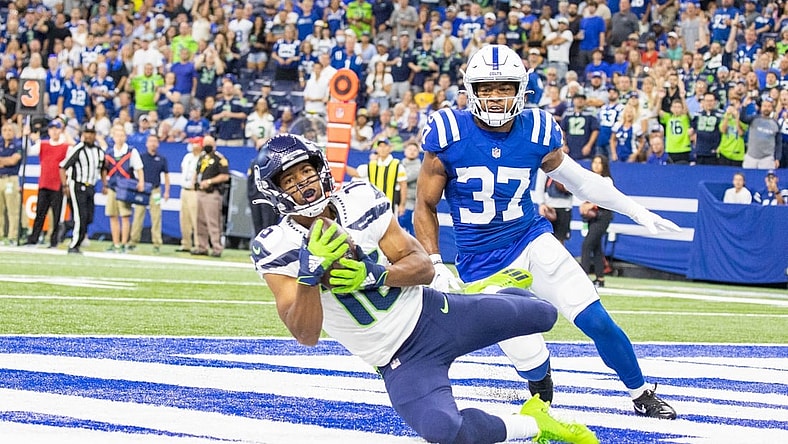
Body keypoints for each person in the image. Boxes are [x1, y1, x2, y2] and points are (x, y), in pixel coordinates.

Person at [250, 133, 598, 444]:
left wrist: (373, 275)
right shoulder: (277, 245)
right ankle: (532, 424)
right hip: (398, 359)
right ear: (275, 192)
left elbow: (422, 266)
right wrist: (309, 275)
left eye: (306, 171)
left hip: (435, 313)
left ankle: (490, 291)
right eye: (289, 179)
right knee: (444, 431)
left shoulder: (357, 199)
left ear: (320, 169)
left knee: (544, 315)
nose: (303, 184)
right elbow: (305, 334)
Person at [414, 45, 679, 419]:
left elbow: (583, 182)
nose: (494, 96)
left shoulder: (536, 130)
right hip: (480, 261)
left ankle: (640, 392)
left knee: (595, 318)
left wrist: (635, 209)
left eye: (503, 87)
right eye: (486, 88)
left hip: (530, 239)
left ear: (521, 89)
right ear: (470, 89)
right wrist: (436, 262)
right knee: (527, 352)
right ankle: (541, 383)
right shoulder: (448, 132)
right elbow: (424, 205)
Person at [59, 123, 105, 254]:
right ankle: (74, 245)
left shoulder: (98, 151)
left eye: (91, 133)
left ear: (95, 135)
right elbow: (63, 167)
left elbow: (102, 168)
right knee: (81, 216)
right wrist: (65, 185)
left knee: (89, 217)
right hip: (77, 185)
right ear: (83, 134)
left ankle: (67, 225)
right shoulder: (78, 149)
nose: (89, 136)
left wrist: (105, 184)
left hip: (91, 186)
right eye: (87, 133)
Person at [25, 120, 72, 248]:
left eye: (56, 129)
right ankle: (33, 239)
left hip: (57, 185)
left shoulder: (65, 147)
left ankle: (53, 241)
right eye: (52, 129)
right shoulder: (43, 144)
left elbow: (72, 153)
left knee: (56, 216)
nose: (54, 131)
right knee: (40, 213)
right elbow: (30, 151)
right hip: (44, 183)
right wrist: (27, 137)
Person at [103, 124, 145, 253]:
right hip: (113, 186)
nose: (119, 138)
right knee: (113, 215)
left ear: (125, 137)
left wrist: (141, 182)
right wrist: (105, 184)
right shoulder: (109, 152)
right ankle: (115, 243)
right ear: (113, 137)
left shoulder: (131, 151)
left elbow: (139, 168)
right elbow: (104, 169)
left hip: (125, 187)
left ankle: (124, 243)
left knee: (125, 216)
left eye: (122, 135)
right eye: (117, 135)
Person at [128, 134, 170, 253]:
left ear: (158, 144)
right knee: (138, 216)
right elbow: (133, 171)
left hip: (155, 190)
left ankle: (157, 243)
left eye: (154, 141)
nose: (152, 144)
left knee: (156, 217)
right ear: (146, 143)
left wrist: (166, 191)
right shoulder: (141, 157)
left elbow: (166, 175)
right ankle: (133, 241)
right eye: (150, 141)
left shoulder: (161, 159)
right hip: (142, 190)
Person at [579, 155, 614, 288]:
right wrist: (585, 204)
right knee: (596, 247)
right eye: (595, 162)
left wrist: (591, 205)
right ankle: (600, 278)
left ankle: (583, 277)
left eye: (600, 163)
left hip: (603, 215)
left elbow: (604, 197)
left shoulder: (606, 180)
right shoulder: (590, 178)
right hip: (594, 216)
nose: (596, 165)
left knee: (587, 245)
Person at [192, 135, 229, 257]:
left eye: (209, 143)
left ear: (214, 145)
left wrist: (209, 182)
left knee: (213, 221)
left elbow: (225, 176)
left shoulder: (220, 158)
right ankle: (202, 246)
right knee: (199, 221)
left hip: (212, 193)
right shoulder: (202, 157)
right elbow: (197, 172)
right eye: (205, 143)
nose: (207, 146)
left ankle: (217, 247)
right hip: (200, 192)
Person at [532, 169, 573, 246]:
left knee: (560, 239)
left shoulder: (569, 164)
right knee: (546, 238)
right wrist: (542, 203)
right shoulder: (545, 164)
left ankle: (559, 258)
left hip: (565, 206)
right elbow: (540, 184)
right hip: (549, 206)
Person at [740, 97, 782, 170]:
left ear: (772, 109)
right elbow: (743, 118)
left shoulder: (776, 124)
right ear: (761, 107)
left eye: (769, 106)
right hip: (751, 157)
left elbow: (778, 143)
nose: (766, 108)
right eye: (765, 106)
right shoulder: (754, 118)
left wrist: (777, 158)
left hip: (767, 159)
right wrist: (744, 106)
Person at [177, 138, 202, 253]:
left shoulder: (202, 159)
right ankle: (185, 243)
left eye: (194, 143)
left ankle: (198, 244)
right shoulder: (187, 157)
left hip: (194, 191)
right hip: (184, 189)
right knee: (184, 218)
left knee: (195, 219)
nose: (192, 145)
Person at [0, 123, 22, 245]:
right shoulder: (0, 143)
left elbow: (14, 160)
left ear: (14, 132)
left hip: (11, 179)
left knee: (12, 209)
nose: (7, 132)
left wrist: (5, 161)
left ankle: (12, 236)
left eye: (9, 130)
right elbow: (9, 160)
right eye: (4, 130)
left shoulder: (18, 144)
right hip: (0, 178)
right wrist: (6, 161)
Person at [398, 142, 421, 236]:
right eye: (410, 149)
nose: (412, 152)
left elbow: (404, 178)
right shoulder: (399, 164)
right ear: (405, 151)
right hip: (395, 201)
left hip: (409, 202)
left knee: (405, 225)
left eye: (415, 150)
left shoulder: (419, 167)